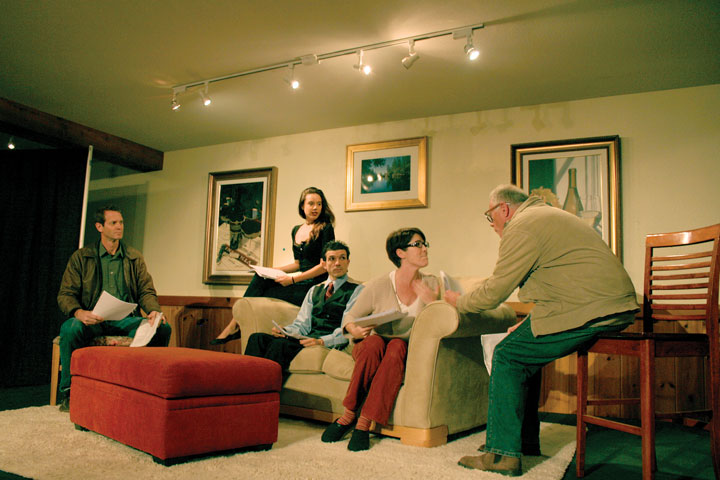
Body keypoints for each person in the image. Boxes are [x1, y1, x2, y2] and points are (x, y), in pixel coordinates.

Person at [444, 184, 639, 476]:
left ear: (504, 209)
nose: (492, 225)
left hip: (593, 309)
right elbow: (562, 284)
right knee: (523, 353)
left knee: (507, 355)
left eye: (490, 217)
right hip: (611, 305)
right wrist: (528, 323)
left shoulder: (521, 226)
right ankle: (523, 442)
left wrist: (459, 301)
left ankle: (502, 456)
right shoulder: (547, 217)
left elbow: (494, 292)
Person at [321, 228, 440, 451]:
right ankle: (347, 416)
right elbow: (350, 317)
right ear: (400, 253)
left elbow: (445, 318)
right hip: (371, 344)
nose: (425, 249)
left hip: (402, 347)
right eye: (418, 244)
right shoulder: (378, 285)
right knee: (375, 344)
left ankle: (363, 423)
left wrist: (433, 303)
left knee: (396, 346)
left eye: (425, 244)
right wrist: (354, 330)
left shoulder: (431, 284)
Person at [57, 206, 172, 412]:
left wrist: (153, 310)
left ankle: (150, 388)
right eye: (113, 223)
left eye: (121, 223)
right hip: (94, 320)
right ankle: (69, 391)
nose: (119, 227)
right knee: (70, 328)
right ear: (100, 227)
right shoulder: (82, 257)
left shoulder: (133, 257)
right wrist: (79, 312)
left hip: (126, 319)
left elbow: (146, 290)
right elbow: (65, 295)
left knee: (162, 328)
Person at [212, 186, 336, 345]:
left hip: (314, 287)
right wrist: (271, 270)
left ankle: (232, 326)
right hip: (300, 282)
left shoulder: (326, 228)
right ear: (302, 206)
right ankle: (234, 325)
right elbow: (298, 264)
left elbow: (324, 266)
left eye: (319, 204)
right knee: (261, 277)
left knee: (263, 287)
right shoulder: (296, 230)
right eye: (311, 203)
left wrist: (292, 281)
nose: (315, 208)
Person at [243, 240, 363, 370]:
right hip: (307, 338)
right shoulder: (314, 290)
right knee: (257, 339)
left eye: (342, 258)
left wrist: (322, 341)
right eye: (332, 259)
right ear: (324, 264)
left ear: (348, 262)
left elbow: (347, 328)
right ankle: (248, 385)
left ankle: (265, 387)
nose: (338, 263)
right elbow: (302, 325)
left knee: (280, 346)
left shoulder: (357, 290)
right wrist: (286, 331)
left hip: (324, 341)